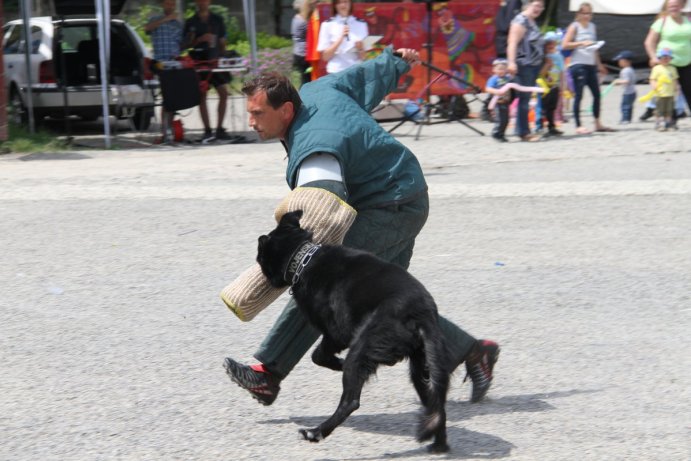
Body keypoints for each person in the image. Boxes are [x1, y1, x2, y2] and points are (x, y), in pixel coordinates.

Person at [223, 48, 500, 407]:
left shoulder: (316, 151)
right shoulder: (315, 90)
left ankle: (268, 371)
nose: (251, 121)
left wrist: (279, 266)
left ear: (286, 110)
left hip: (389, 206)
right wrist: (395, 61)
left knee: (322, 281)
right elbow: (362, 78)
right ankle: (474, 351)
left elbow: (318, 216)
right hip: (403, 191)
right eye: (250, 112)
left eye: (258, 113)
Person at [183, 0, 233, 143]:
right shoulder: (191, 21)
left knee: (223, 93)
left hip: (215, 61)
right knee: (202, 96)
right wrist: (199, 39)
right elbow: (185, 45)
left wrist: (223, 53)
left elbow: (223, 40)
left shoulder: (217, 19)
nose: (202, 2)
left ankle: (219, 129)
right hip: (199, 62)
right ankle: (207, 130)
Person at [561, 2, 613, 135]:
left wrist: (599, 65)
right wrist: (581, 43)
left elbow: (594, 48)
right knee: (579, 95)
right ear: (578, 14)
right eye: (584, 13)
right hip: (577, 64)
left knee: (596, 94)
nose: (586, 16)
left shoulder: (592, 27)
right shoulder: (575, 26)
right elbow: (565, 44)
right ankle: (578, 125)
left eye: (589, 13)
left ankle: (597, 123)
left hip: (590, 65)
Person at [644, 0, 691, 128]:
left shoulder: (689, 20)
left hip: (687, 62)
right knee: (668, 93)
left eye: (676, 6)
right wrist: (653, 57)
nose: (673, 8)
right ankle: (668, 120)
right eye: (670, 6)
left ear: (681, 6)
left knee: (689, 91)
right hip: (667, 64)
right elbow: (649, 42)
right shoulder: (662, 22)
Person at [506, 0, 545, 142]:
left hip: (533, 65)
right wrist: (511, 62)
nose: (539, 9)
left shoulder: (531, 21)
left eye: (541, 6)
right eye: (536, 5)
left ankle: (522, 129)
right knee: (524, 99)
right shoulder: (521, 20)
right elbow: (512, 42)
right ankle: (523, 132)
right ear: (528, 5)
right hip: (524, 64)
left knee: (526, 98)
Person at [144, 0, 183, 143]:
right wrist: (166, 19)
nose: (170, 6)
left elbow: (181, 44)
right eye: (167, 3)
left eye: (172, 4)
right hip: (160, 64)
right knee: (167, 98)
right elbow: (146, 29)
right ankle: (164, 132)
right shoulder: (155, 19)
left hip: (174, 64)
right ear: (163, 5)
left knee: (173, 98)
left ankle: (169, 130)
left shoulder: (178, 24)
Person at [317, 0, 369, 74]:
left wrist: (360, 48)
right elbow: (325, 57)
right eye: (339, 2)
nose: (343, 5)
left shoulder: (361, 24)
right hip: (335, 72)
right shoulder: (327, 25)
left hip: (355, 71)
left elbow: (364, 57)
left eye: (345, 2)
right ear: (335, 5)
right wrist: (340, 39)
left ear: (350, 3)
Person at [538, 31, 565, 137]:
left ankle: (551, 127)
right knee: (543, 107)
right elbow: (540, 74)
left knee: (552, 107)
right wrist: (547, 64)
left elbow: (562, 72)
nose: (551, 45)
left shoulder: (559, 57)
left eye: (553, 43)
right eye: (548, 43)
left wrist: (563, 87)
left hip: (555, 86)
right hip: (544, 87)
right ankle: (540, 127)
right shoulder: (542, 57)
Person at [650, 48, 680, 131]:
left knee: (669, 110)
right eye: (664, 57)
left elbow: (675, 79)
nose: (666, 59)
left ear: (671, 59)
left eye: (668, 57)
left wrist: (677, 88)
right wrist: (654, 85)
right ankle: (658, 124)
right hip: (660, 94)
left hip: (670, 94)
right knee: (659, 110)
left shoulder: (672, 68)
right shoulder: (656, 68)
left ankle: (667, 124)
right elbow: (652, 79)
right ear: (659, 58)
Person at [485, 58, 512, 142]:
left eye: (504, 69)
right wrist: (496, 91)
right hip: (497, 102)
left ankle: (502, 134)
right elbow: (488, 89)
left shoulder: (508, 78)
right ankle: (496, 133)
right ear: (494, 70)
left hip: (506, 102)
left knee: (506, 119)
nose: (502, 71)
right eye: (499, 69)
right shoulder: (494, 79)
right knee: (500, 119)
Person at [291, 0, 317, 86]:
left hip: (298, 53)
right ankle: (303, 96)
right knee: (307, 78)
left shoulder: (296, 18)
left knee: (305, 77)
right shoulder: (304, 22)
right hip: (304, 55)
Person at [611, 50, 636, 124]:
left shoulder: (625, 71)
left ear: (626, 61)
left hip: (628, 92)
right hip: (632, 91)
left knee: (625, 106)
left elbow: (626, 81)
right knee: (629, 106)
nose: (618, 62)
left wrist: (617, 82)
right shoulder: (630, 69)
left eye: (620, 61)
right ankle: (628, 118)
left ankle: (625, 119)